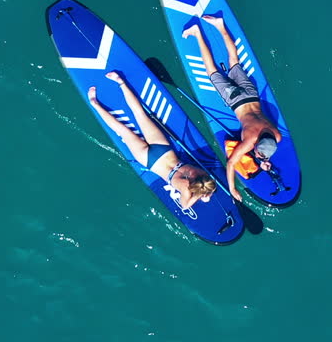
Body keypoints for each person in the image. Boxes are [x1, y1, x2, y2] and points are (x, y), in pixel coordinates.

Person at [182, 15, 283, 204]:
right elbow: (231, 163)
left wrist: (262, 159)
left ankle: (220, 26)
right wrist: (232, 188)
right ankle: (197, 33)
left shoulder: (276, 136)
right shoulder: (250, 141)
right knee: (211, 71)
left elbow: (267, 146)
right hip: (235, 100)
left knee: (234, 61)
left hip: (252, 95)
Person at [87, 70, 217, 209]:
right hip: (150, 161)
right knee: (122, 131)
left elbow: (209, 183)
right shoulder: (186, 190)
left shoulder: (201, 173)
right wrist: (200, 196)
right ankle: (94, 103)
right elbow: (184, 206)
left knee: (140, 114)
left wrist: (207, 193)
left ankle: (120, 82)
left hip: (165, 150)